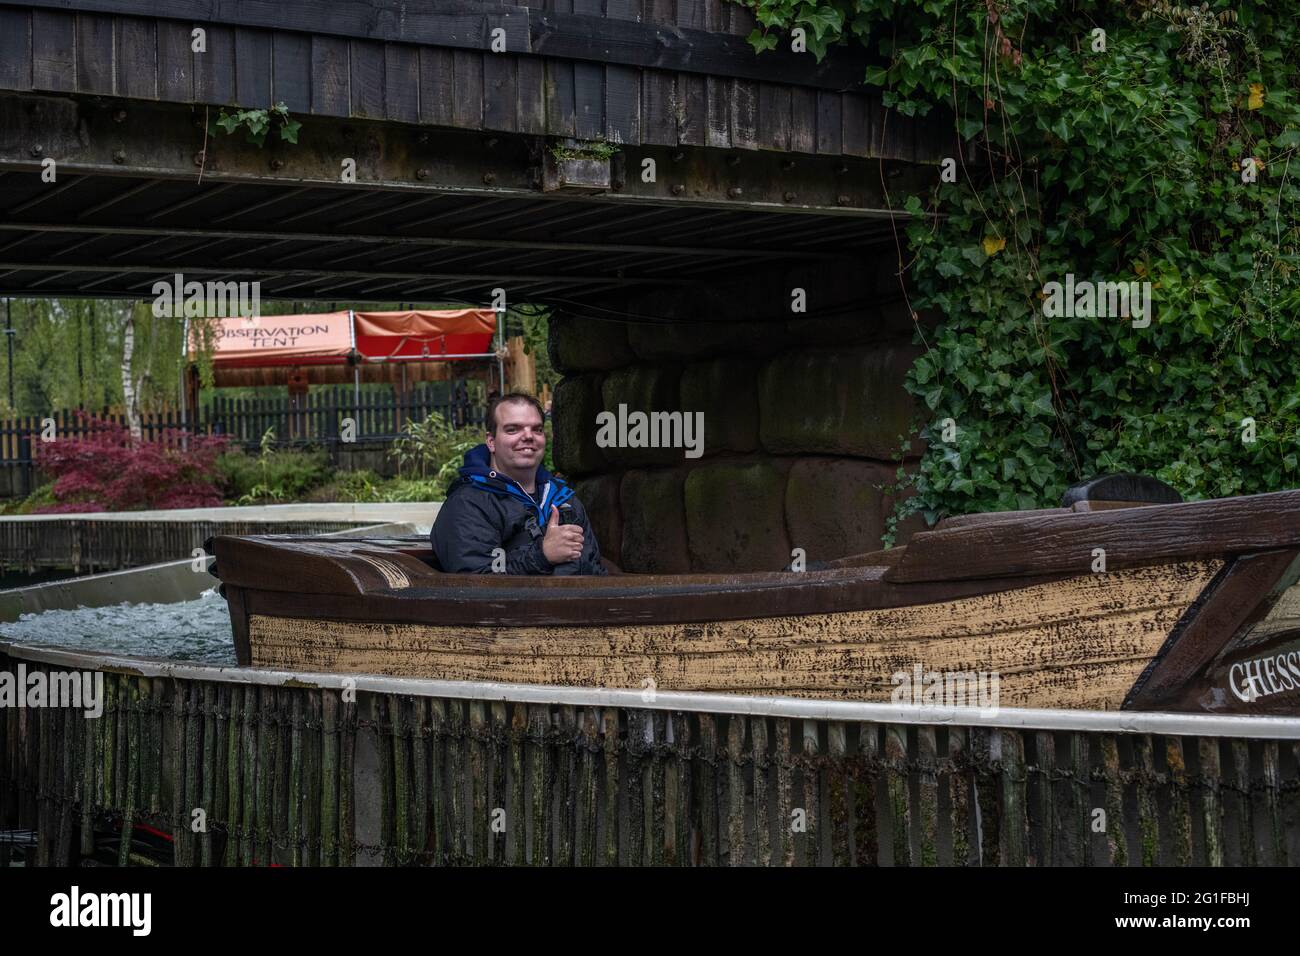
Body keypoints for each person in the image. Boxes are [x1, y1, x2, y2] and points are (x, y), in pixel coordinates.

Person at [431, 391, 608, 575]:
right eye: (513, 429)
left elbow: (594, 569)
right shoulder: (467, 505)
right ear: (491, 441)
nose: (528, 436)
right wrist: (542, 555)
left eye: (537, 429)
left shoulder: (565, 501)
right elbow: (476, 581)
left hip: (581, 602)